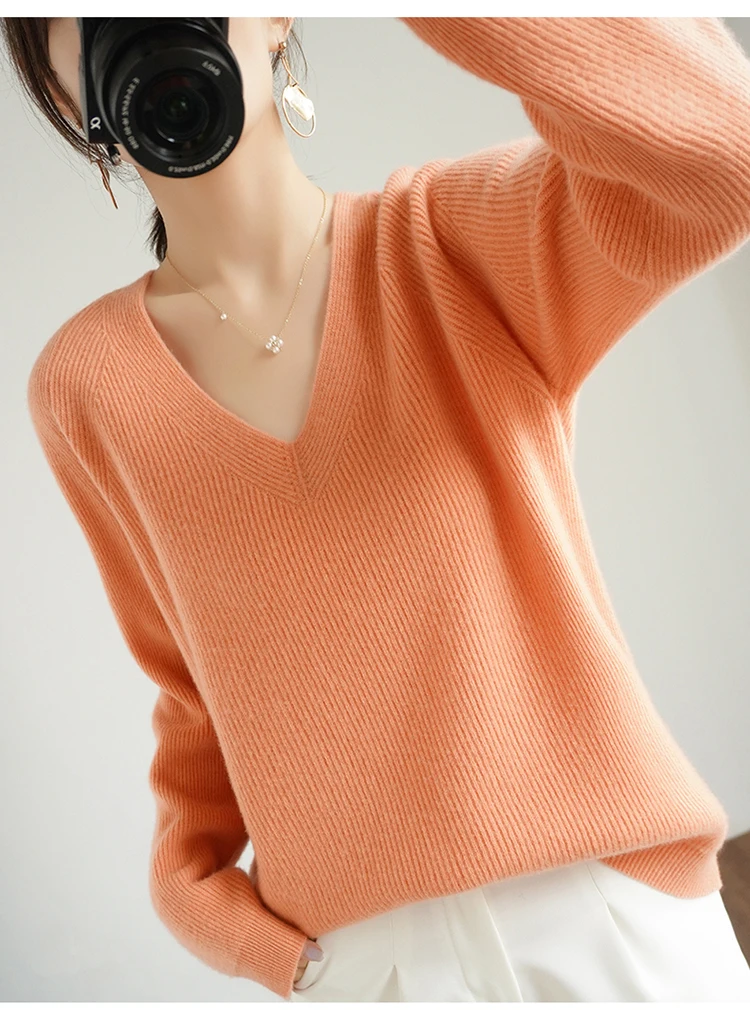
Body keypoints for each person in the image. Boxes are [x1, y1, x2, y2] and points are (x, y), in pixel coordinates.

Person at [5, 15, 750, 1002]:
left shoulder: (448, 242)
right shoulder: (88, 385)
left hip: (612, 928)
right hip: (376, 973)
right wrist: (219, 910)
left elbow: (721, 152)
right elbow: (194, 689)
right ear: (62, 91)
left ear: (278, 15)